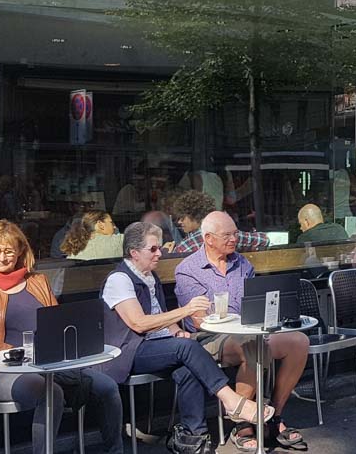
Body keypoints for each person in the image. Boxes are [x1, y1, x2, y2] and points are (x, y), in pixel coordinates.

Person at [99, 222, 268, 454]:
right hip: (128, 351)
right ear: (134, 252)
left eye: (159, 248)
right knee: (186, 348)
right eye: (153, 249)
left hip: (156, 344)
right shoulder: (119, 279)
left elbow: (159, 315)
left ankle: (194, 438)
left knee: (188, 368)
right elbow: (138, 323)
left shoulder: (148, 276)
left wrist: (177, 330)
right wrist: (186, 310)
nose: (160, 253)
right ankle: (231, 401)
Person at [0, 221, 124, 454]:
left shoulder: (38, 281)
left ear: (20, 251)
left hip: (51, 362)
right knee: (52, 393)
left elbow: (57, 322)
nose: (2, 257)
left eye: (8, 251)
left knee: (108, 386)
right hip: (4, 371)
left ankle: (116, 451)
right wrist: (22, 354)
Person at [174, 212, 309, 451]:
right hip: (207, 338)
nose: (234, 239)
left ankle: (273, 416)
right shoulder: (188, 269)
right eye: (227, 235)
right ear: (208, 238)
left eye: (235, 233)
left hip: (248, 331)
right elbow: (198, 321)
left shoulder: (243, 264)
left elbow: (254, 303)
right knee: (251, 345)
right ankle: (243, 424)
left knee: (298, 341)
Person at [168, 191, 269, 256]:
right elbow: (263, 239)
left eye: (182, 217)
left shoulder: (184, 247)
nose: (179, 221)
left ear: (195, 215)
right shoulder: (227, 235)